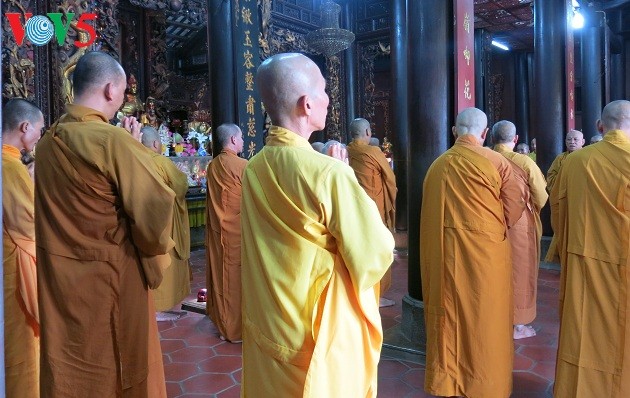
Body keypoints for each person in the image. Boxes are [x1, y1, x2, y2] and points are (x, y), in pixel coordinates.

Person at [241, 53, 394, 397]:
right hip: (318, 329)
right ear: (307, 105)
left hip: (271, 319)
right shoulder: (329, 173)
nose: (328, 98)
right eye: (324, 91)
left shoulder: (254, 167)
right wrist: (343, 182)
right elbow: (374, 253)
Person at [34, 51, 173, 397]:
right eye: (124, 93)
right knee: (120, 365)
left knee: (73, 361)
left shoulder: (48, 143)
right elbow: (155, 213)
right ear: (111, 90)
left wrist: (128, 148)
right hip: (113, 279)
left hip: (62, 282)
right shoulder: (111, 141)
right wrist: (135, 149)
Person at [420, 107, 526, 398]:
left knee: (450, 315)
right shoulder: (498, 163)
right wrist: (489, 227)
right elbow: (514, 206)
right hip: (486, 256)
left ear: (455, 132)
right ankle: (486, 384)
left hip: (444, 256)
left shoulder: (437, 166)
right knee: (485, 317)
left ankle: (449, 381)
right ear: (484, 133)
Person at [552, 100, 630, 397]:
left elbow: (559, 213)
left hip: (585, 260)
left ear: (600, 127)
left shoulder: (574, 161)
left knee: (586, 332)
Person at [2, 98, 44, 397]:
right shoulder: (10, 167)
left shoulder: (13, 164)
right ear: (24, 126)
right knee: (22, 342)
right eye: (39, 130)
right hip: (14, 268)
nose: (39, 136)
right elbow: (28, 222)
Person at [492, 120, 548, 340]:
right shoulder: (523, 161)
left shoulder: (485, 158)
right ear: (515, 140)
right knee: (520, 270)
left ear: (491, 137)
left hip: (490, 219)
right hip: (519, 224)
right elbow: (541, 195)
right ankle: (518, 325)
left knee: (493, 268)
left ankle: (494, 316)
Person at [141, 126, 191, 321]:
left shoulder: (134, 158)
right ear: (155, 144)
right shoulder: (160, 161)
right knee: (165, 260)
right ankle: (159, 307)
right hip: (163, 221)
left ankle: (148, 304)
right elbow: (181, 185)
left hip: (142, 220)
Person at [347, 117, 397, 307]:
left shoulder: (347, 151)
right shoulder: (373, 151)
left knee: (357, 248)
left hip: (353, 208)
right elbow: (390, 179)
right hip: (374, 209)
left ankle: (358, 290)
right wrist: (390, 197)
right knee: (378, 249)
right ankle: (376, 294)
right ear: (368, 133)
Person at [205, 123, 247, 343]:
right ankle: (234, 330)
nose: (242, 142)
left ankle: (222, 324)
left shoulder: (212, 166)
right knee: (235, 280)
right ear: (232, 140)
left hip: (216, 231)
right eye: (240, 138)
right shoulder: (242, 166)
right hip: (237, 234)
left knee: (220, 277)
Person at [544, 129, 585, 263]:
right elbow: (550, 177)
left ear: (583, 142)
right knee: (562, 229)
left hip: (582, 202)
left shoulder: (587, 157)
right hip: (563, 200)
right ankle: (560, 257)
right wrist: (564, 187)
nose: (572, 142)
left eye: (575, 140)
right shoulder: (560, 158)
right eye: (569, 139)